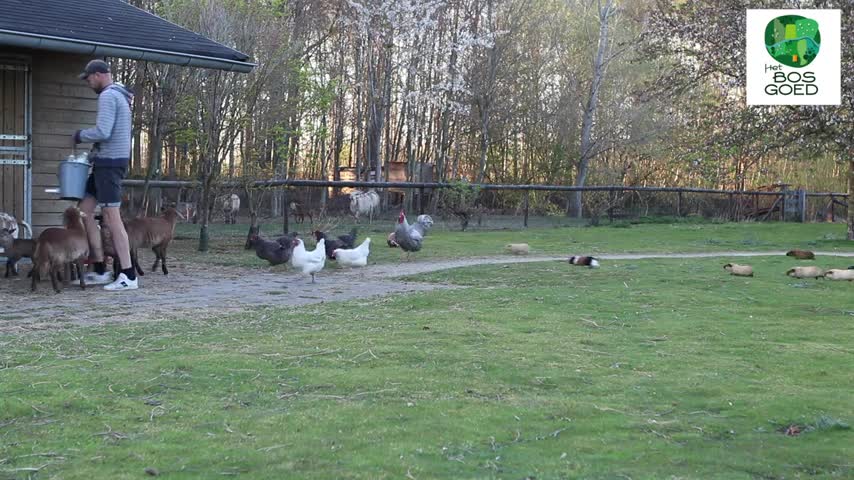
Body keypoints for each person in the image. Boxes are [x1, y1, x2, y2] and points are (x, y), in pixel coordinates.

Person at [73, 59, 138, 291]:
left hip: (110, 165)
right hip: (103, 163)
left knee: (112, 218)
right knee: (85, 211)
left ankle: (128, 276)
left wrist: (80, 135)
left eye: (89, 78)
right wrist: (94, 154)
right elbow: (108, 135)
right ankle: (100, 269)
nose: (88, 82)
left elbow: (103, 131)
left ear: (99, 74)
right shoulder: (118, 95)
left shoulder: (109, 96)